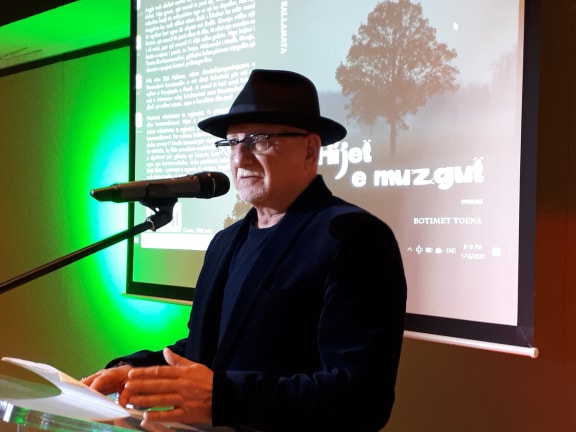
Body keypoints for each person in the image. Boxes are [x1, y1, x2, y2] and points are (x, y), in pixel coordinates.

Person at [84, 69, 407, 432]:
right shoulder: (225, 242)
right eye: (233, 142)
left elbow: (361, 398)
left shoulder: (354, 237)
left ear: (310, 150)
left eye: (259, 140)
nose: (240, 158)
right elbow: (209, 353)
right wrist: (136, 371)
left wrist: (225, 398)